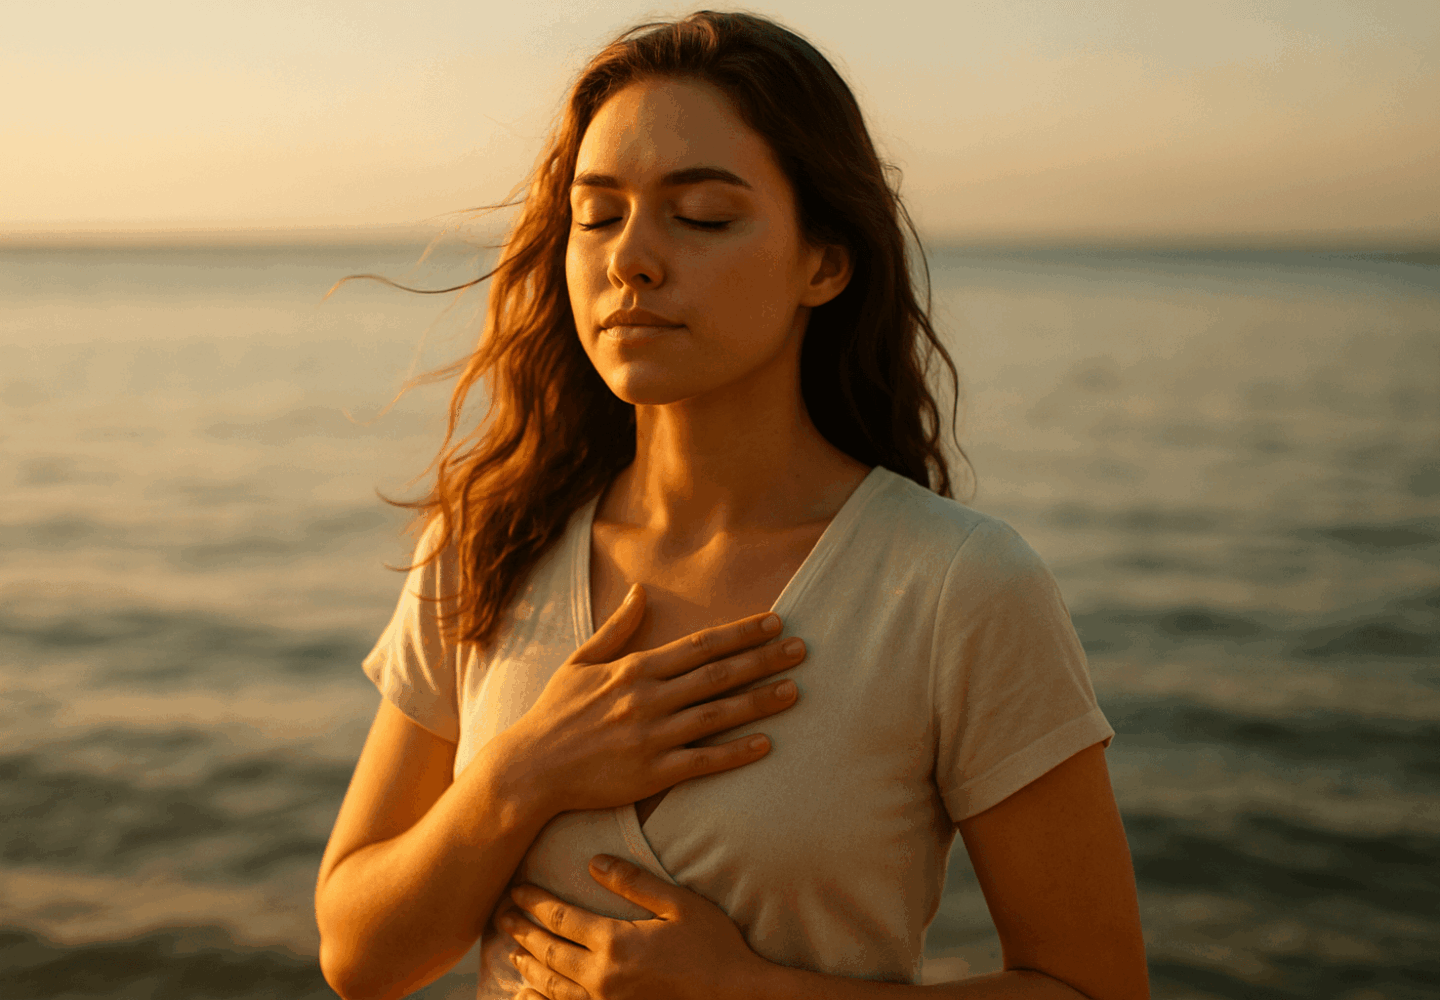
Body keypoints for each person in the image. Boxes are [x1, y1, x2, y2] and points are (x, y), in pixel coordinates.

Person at [315, 10, 1149, 1000]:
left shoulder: (956, 587)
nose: (631, 258)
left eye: (702, 214)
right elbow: (359, 958)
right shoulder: (491, 540)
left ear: (824, 263)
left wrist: (745, 990)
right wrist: (521, 773)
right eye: (597, 215)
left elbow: (1097, 987)